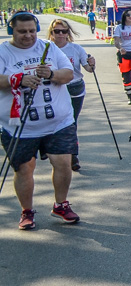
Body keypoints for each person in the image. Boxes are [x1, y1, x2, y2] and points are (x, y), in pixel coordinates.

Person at [0, 12, 78, 230]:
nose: (28, 36)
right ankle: (27, 211)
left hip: (58, 122)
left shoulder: (48, 47)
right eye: (22, 31)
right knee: (24, 169)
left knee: (63, 164)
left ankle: (61, 204)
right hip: (19, 126)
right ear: (11, 31)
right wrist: (18, 79)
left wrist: (52, 74)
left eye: (32, 31)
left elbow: (68, 74)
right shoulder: (3, 52)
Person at [47, 19, 94, 172]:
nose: (61, 34)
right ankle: (49, 148)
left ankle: (73, 155)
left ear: (68, 33)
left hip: (75, 88)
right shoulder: (46, 48)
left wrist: (91, 63)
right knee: (54, 121)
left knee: (70, 123)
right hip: (55, 89)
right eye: (57, 31)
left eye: (64, 31)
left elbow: (88, 69)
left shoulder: (75, 48)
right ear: (51, 33)